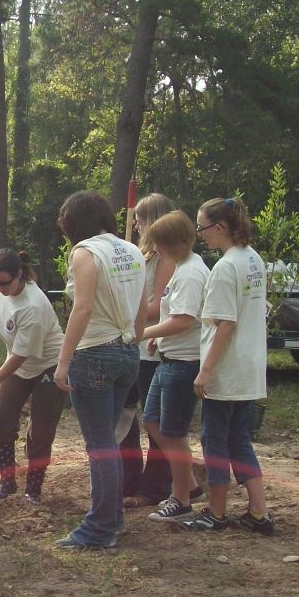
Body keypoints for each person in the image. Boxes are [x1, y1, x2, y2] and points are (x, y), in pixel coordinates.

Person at [54, 191, 146, 550]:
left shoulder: (85, 253)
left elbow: (82, 308)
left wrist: (64, 360)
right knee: (109, 439)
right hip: (127, 353)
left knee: (100, 445)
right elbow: (141, 305)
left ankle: (100, 527)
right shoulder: (132, 250)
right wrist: (134, 338)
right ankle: (114, 518)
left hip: (94, 355)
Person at [182, 197, 274, 535]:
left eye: (202, 227)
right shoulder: (253, 259)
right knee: (239, 440)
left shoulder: (224, 268)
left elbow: (225, 324)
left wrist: (206, 369)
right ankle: (259, 513)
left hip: (227, 370)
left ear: (220, 228)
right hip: (248, 368)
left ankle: (216, 513)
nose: (201, 234)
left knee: (215, 442)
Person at [0, 249, 67, 504]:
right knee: (1, 419)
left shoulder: (32, 305)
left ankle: (33, 489)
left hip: (48, 366)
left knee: (41, 430)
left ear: (19, 275)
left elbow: (20, 356)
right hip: (20, 364)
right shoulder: (2, 287)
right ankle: (7, 478)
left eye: (4, 283)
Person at [138, 211, 210, 522]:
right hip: (168, 358)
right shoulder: (181, 269)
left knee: (173, 432)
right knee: (152, 422)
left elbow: (184, 319)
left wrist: (144, 334)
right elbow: (175, 315)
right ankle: (189, 486)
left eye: (158, 244)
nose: (155, 250)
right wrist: (158, 340)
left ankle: (180, 499)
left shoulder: (192, 273)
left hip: (183, 363)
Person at [120, 193, 175, 506]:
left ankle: (155, 487)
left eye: (141, 220)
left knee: (155, 419)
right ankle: (128, 478)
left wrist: (130, 316)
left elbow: (158, 305)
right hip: (133, 345)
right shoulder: (141, 254)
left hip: (150, 348)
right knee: (122, 414)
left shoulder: (166, 257)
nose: (137, 225)